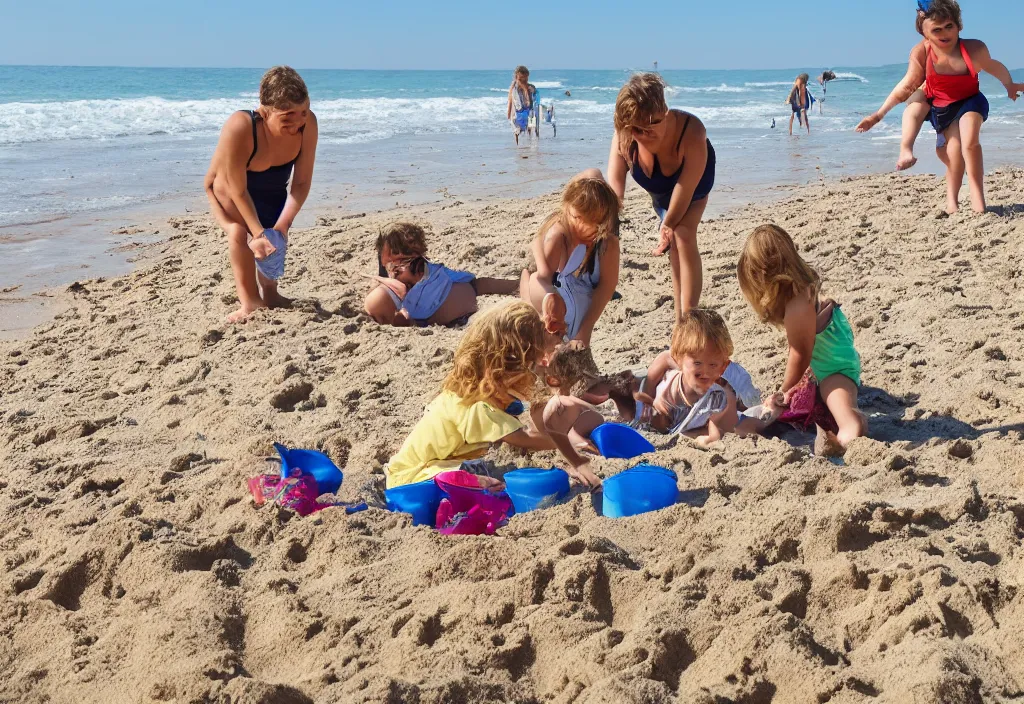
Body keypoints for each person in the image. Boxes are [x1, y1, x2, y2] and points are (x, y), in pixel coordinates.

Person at [855, 0, 1023, 210]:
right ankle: (949, 199)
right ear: (925, 33)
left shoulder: (973, 49)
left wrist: (1010, 85)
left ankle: (978, 200)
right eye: (936, 30)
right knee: (951, 152)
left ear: (959, 25)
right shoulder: (922, 53)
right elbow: (906, 87)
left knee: (970, 142)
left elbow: (993, 66)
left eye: (949, 26)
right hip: (942, 107)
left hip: (969, 101)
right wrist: (877, 115)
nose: (944, 33)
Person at [383, 302, 556, 489]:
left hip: (413, 469)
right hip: (413, 480)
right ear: (508, 369)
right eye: (533, 365)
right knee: (485, 486)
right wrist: (572, 441)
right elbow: (529, 439)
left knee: (477, 476)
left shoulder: (467, 390)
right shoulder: (481, 409)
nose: (537, 373)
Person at [737, 225, 867, 454]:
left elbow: (800, 353)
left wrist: (785, 390)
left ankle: (851, 432)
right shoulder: (800, 286)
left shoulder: (796, 304)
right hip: (822, 364)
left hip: (835, 368)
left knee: (843, 411)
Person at [204, 66, 318, 323]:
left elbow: (301, 183)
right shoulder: (241, 126)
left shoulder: (307, 123)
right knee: (241, 235)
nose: (299, 121)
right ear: (265, 111)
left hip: (273, 190)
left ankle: (271, 293)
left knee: (274, 237)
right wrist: (256, 233)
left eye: (304, 111)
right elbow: (237, 190)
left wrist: (283, 225)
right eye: (288, 117)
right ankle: (249, 301)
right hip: (230, 192)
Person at [607, 73, 716, 325]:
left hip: (693, 185)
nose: (643, 135)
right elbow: (615, 195)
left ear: (665, 111)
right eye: (636, 129)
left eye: (650, 126)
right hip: (659, 192)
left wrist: (666, 226)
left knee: (682, 234)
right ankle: (680, 318)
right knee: (672, 240)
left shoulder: (692, 130)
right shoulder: (624, 136)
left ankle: (689, 319)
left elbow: (685, 188)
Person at [623, 309, 777, 444]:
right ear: (679, 361)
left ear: (723, 366)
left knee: (743, 422)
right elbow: (664, 427)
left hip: (715, 405)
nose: (706, 371)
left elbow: (724, 423)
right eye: (698, 363)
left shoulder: (720, 389)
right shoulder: (668, 393)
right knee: (658, 420)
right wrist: (647, 390)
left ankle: (769, 410)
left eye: (713, 365)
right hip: (676, 411)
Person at [520, 170, 621, 347]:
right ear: (569, 211)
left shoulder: (606, 240)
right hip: (551, 302)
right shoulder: (558, 234)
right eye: (577, 218)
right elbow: (539, 279)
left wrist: (584, 332)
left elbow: (606, 288)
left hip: (581, 303)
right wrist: (549, 300)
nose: (584, 228)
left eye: (594, 223)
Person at [364, 222, 519, 327]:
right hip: (461, 294)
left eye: (392, 266)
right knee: (483, 284)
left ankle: (519, 284)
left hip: (445, 308)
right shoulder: (420, 270)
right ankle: (519, 284)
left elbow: (404, 316)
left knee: (483, 284)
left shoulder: (410, 287)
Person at [507, 66, 533, 146]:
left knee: (528, 126)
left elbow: (531, 98)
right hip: (518, 111)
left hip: (527, 110)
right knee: (517, 127)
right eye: (521, 78)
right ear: (516, 77)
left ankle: (528, 143)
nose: (524, 80)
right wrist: (508, 112)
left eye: (526, 78)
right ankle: (517, 145)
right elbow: (510, 100)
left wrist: (530, 90)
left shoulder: (528, 86)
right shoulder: (514, 87)